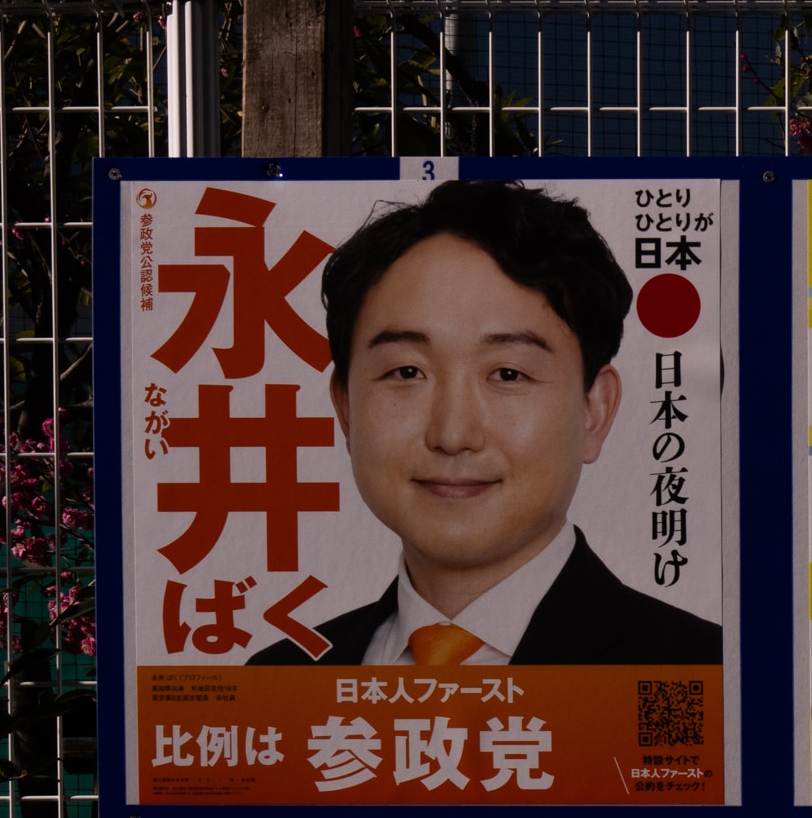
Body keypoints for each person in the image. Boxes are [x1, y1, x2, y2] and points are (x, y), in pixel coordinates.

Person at [254, 178, 720, 669]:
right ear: (345, 407)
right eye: (407, 372)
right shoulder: (280, 683)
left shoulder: (711, 675)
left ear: (594, 410)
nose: (453, 435)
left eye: (507, 373)